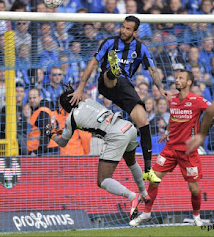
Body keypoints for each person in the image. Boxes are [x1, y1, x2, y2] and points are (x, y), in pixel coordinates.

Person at [70, 15, 170, 182]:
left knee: (143, 122)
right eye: (123, 27)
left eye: (128, 29)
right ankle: (113, 69)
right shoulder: (110, 42)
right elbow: (93, 63)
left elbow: (152, 70)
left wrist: (161, 89)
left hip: (125, 90)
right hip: (106, 83)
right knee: (112, 76)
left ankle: (148, 170)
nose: (123, 31)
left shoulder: (140, 48)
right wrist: (81, 88)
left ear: (135, 31)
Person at [46, 84, 150, 219]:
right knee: (131, 161)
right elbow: (88, 120)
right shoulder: (89, 101)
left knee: (102, 180)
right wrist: (64, 130)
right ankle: (144, 193)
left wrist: (52, 135)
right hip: (127, 127)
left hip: (116, 136)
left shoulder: (70, 119)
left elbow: (63, 142)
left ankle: (132, 196)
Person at [129, 70, 211, 227]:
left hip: (188, 152)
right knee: (154, 180)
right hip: (170, 149)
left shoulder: (197, 100)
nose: (177, 80)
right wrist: (167, 131)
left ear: (189, 83)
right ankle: (147, 213)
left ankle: (196, 216)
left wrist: (202, 132)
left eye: (181, 78)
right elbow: (173, 117)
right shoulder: (172, 100)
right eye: (177, 78)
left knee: (194, 189)